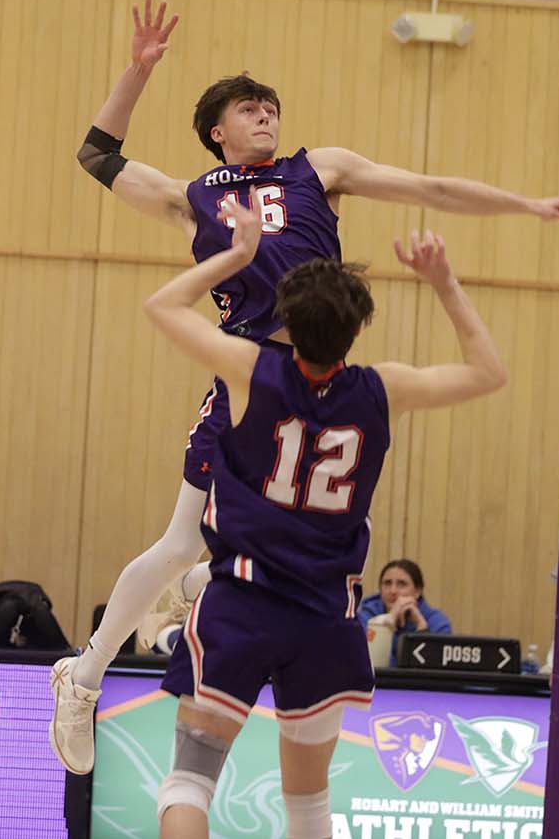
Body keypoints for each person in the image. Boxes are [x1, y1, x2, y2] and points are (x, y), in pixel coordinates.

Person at [52, 0, 559, 774]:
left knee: (287, 530)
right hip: (249, 378)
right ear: (217, 132)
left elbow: (429, 188)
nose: (265, 114)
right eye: (248, 108)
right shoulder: (193, 195)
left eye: (270, 106)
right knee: (178, 540)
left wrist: (527, 206)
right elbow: (98, 155)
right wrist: (138, 70)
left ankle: (203, 584)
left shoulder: (318, 169)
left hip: (321, 376)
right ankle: (85, 673)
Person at [131, 192, 506, 838]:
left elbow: (160, 305)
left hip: (242, 602)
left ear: (284, 319)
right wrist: (444, 283)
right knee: (308, 804)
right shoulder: (383, 389)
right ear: (359, 329)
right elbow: (487, 372)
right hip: (326, 616)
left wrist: (240, 253)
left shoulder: (248, 368)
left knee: (189, 783)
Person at [355, 559, 452, 667]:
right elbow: (374, 664)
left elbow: (435, 672)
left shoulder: (437, 622)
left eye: (402, 584)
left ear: (417, 591)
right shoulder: (364, 618)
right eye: (387, 583)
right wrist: (389, 620)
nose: (393, 591)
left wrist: (422, 629)